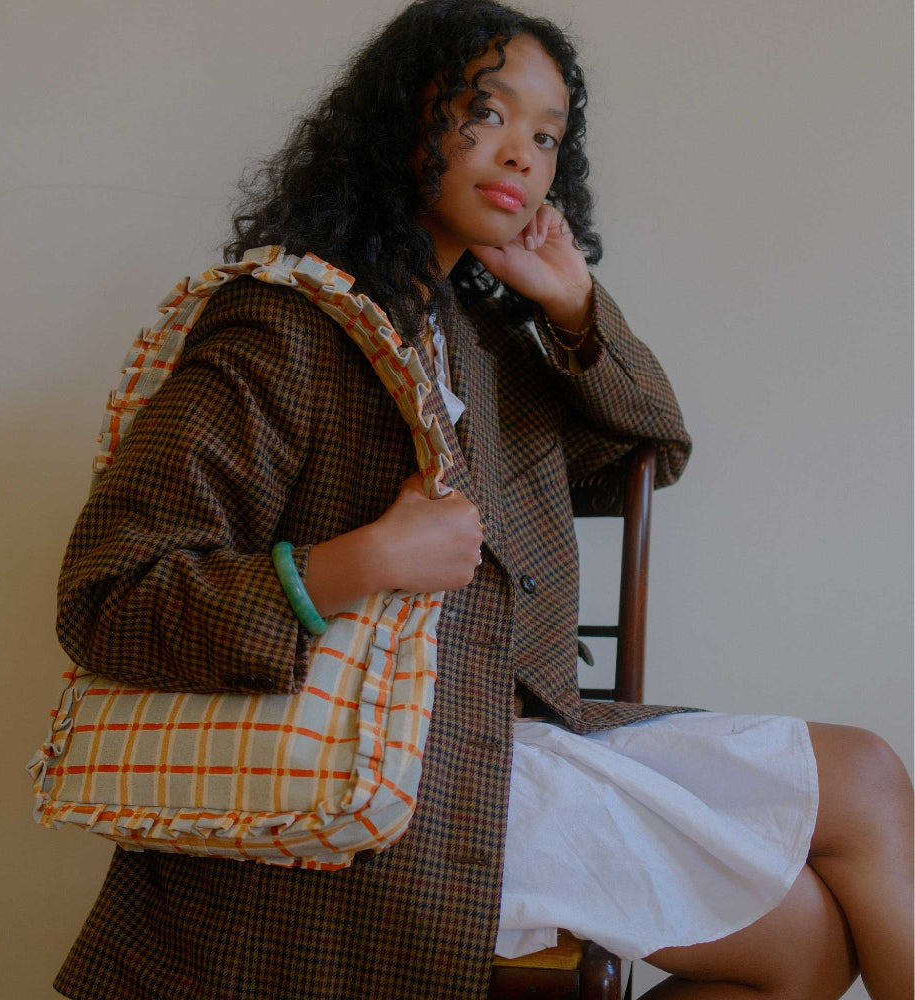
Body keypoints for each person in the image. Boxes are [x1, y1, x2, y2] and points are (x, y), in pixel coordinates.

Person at [51, 2, 913, 998]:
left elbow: (649, 446)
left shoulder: (487, 349)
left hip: (506, 741)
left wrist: (576, 308)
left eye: (545, 136)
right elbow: (106, 597)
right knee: (805, 937)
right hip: (381, 780)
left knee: (862, 789)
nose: (520, 154)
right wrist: (361, 561)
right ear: (400, 122)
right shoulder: (285, 322)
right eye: (486, 111)